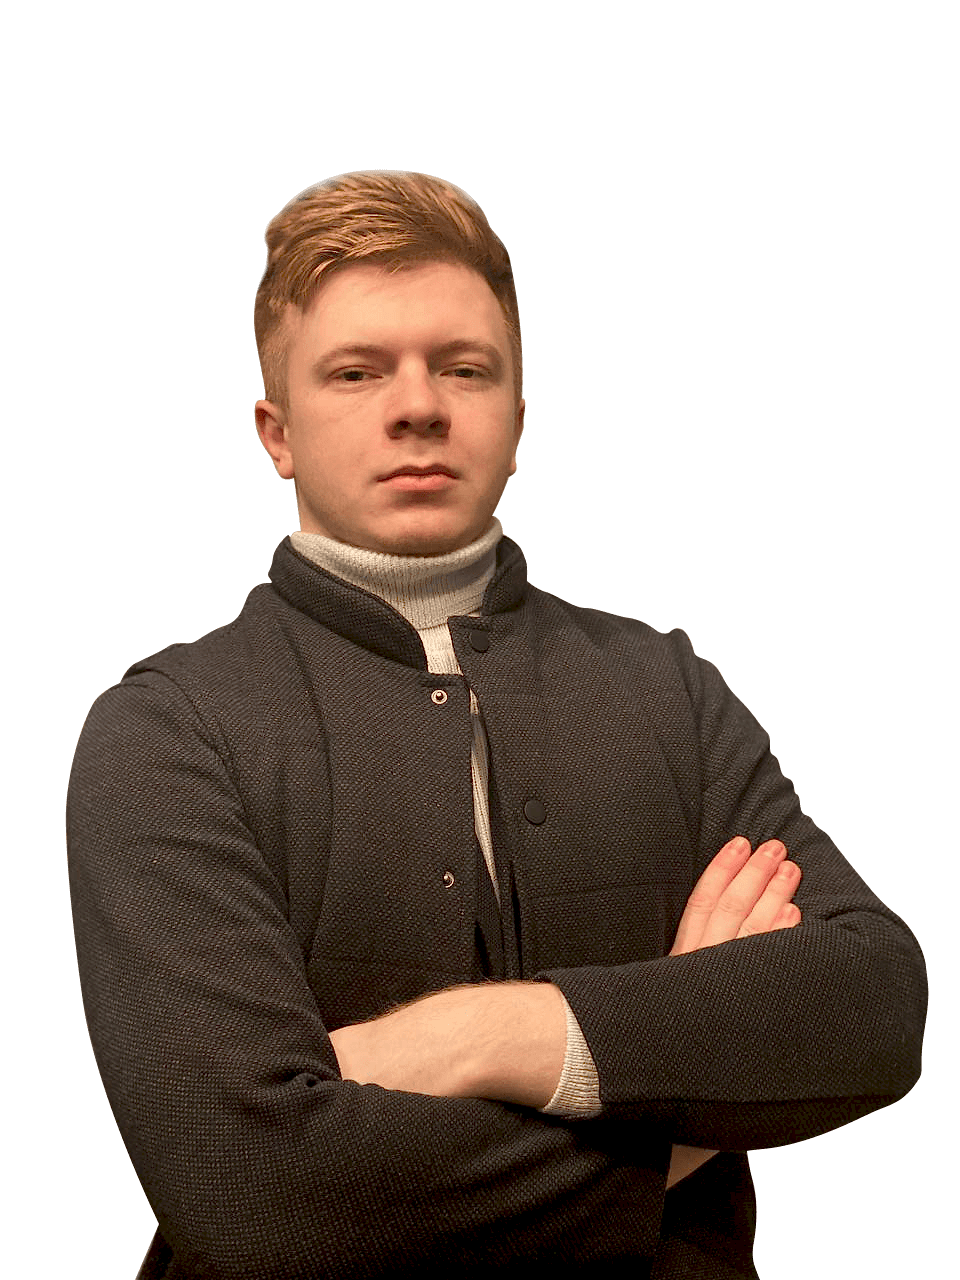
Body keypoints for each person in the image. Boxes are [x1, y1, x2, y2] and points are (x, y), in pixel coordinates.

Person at [66, 170, 927, 1279]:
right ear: (276, 433)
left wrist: (482, 1035)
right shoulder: (166, 731)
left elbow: (874, 1003)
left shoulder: (666, 686)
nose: (418, 405)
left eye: (464, 368)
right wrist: (689, 1081)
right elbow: (254, 1195)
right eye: (357, 371)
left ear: (517, 422)